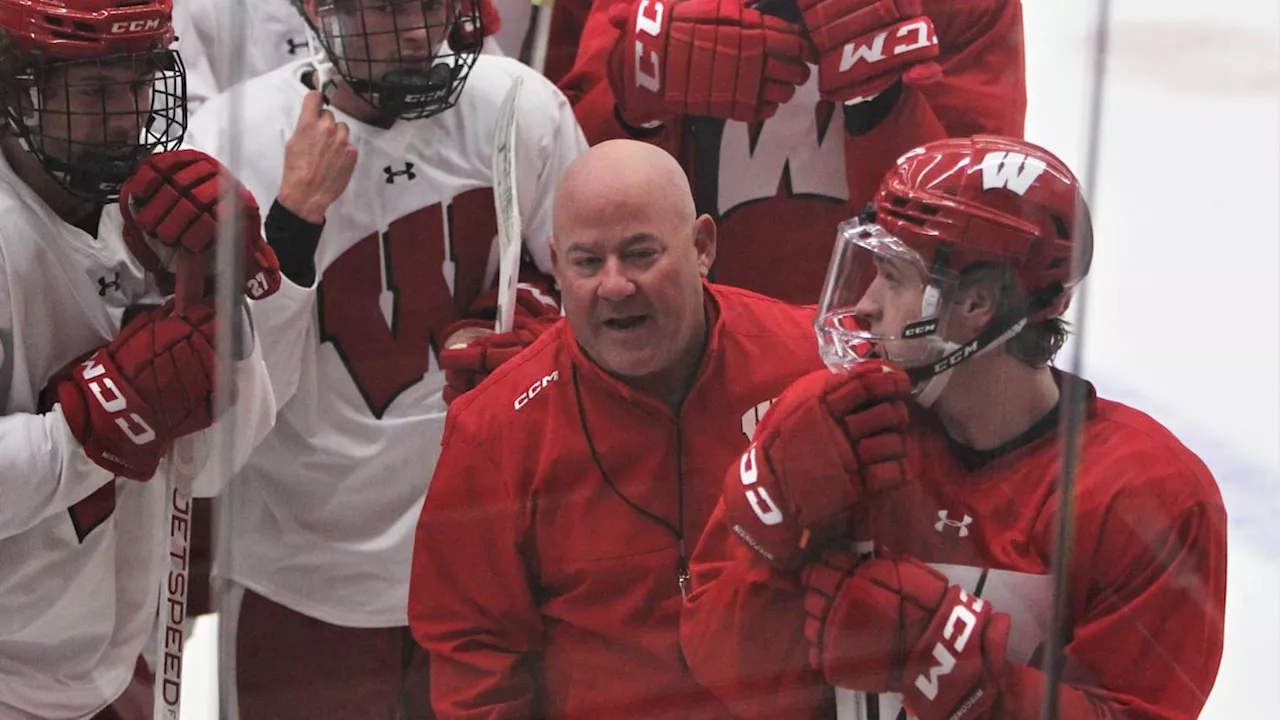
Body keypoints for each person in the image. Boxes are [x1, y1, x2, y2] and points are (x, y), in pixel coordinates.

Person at [680, 136, 1228, 720]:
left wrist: (960, 675)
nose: (865, 304)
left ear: (977, 305)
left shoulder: (1148, 500)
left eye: (892, 278)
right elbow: (718, 666)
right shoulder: (835, 429)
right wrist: (774, 544)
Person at [183, 0, 587, 716]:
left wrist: (545, 331)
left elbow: (598, 293)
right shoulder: (229, 137)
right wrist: (294, 221)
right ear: (314, 9)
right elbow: (213, 424)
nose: (414, 31)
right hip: (303, 576)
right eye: (391, 6)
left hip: (490, 564)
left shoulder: (520, 105)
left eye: (433, 5)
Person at [407, 138, 826, 719]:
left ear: (702, 246)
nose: (614, 286)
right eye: (586, 262)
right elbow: (473, 654)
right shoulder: (494, 431)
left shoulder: (809, 363)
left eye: (639, 254)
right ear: (555, 265)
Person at [0, 0, 279, 717]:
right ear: (15, 87)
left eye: (137, 86)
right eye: (96, 92)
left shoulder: (152, 213)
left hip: (119, 663)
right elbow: (122, 416)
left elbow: (215, 465)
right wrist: (96, 420)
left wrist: (219, 302)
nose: (127, 119)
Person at [558, 0, 1025, 305]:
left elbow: (991, 230)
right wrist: (634, 110)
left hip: (891, 357)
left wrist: (880, 100)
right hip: (683, 365)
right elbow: (558, 214)